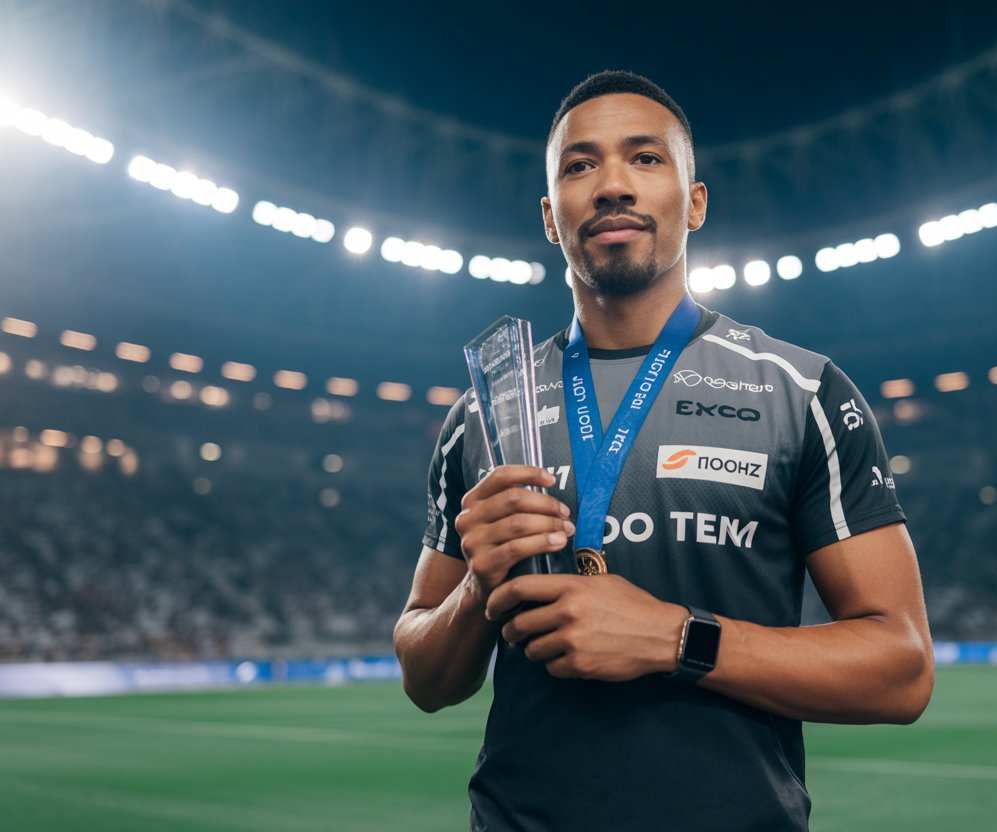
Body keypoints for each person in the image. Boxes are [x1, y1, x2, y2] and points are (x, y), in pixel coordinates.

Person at [393, 70, 934, 832]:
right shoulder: (484, 416)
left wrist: (677, 639)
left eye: (645, 159)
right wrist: (481, 588)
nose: (612, 184)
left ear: (696, 200)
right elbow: (425, 675)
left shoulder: (803, 392)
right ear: (552, 217)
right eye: (580, 166)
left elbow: (903, 670)